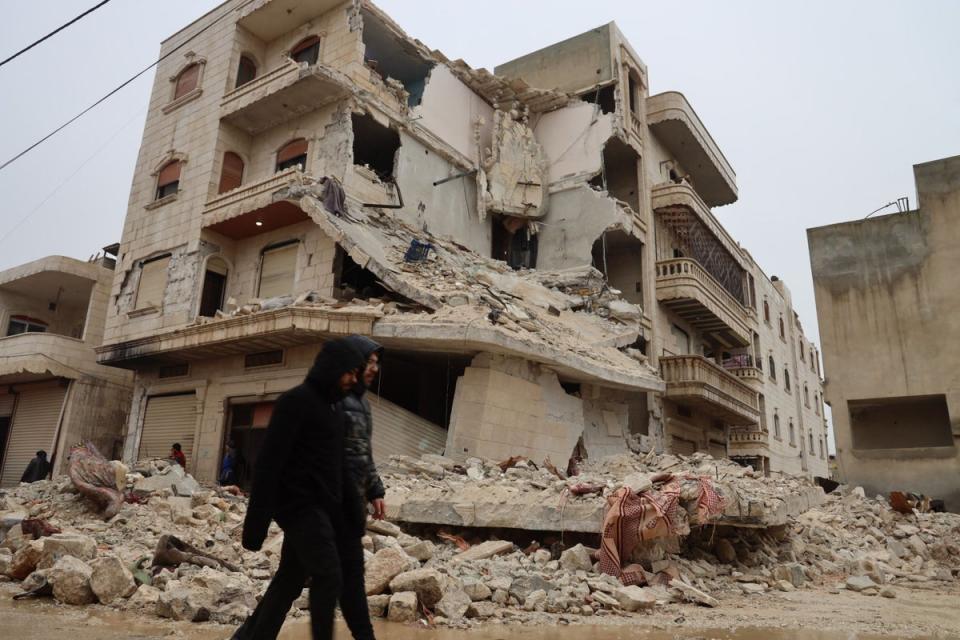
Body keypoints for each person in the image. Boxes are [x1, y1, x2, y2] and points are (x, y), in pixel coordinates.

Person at [231, 337, 367, 640]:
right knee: (329, 575)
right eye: (349, 372)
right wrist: (255, 528)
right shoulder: (295, 402)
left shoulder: (334, 413)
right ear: (333, 369)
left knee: (289, 581)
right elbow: (268, 464)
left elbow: (339, 468)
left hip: (321, 510)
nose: (353, 380)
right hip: (296, 507)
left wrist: (354, 513)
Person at [336, 336, 386, 640]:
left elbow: (362, 454)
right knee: (288, 583)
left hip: (347, 509)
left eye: (377, 363)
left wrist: (375, 489)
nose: (375, 369)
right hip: (323, 509)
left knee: (352, 582)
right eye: (371, 362)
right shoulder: (330, 401)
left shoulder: (362, 407)